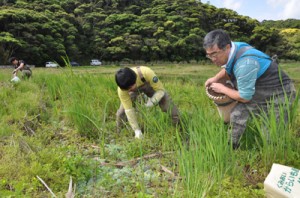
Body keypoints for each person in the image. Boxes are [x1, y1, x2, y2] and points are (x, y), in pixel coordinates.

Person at [203, 29, 296, 149]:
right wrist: (215, 78)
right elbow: (229, 67)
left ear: (226, 47)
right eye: (209, 55)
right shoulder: (235, 47)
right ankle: (231, 148)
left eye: (214, 54)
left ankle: (274, 156)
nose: (213, 59)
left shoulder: (245, 63)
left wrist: (222, 88)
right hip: (257, 89)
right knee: (236, 115)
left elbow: (245, 97)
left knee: (270, 133)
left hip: (280, 93)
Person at [115, 66, 180, 139]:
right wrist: (137, 130)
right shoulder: (122, 89)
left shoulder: (147, 73)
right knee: (121, 112)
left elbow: (160, 91)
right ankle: (119, 132)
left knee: (169, 107)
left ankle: (178, 129)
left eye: (130, 88)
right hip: (132, 88)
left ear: (135, 79)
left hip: (150, 86)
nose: (129, 90)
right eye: (127, 89)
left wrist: (152, 102)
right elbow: (129, 110)